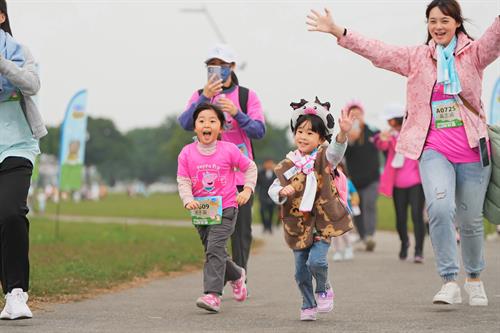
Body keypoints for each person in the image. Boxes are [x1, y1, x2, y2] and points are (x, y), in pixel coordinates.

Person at [307, 0, 499, 306]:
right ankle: (449, 280)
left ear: (457, 23)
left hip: (473, 150)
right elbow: (378, 51)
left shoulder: (474, 54)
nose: (438, 27)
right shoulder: (417, 58)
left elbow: (496, 34)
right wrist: (338, 31)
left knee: (470, 219)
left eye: (445, 21)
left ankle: (474, 278)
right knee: (438, 209)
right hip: (433, 149)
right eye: (432, 21)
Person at [179, 44, 265, 285]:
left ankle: (238, 279)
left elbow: (259, 131)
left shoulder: (247, 97)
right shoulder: (200, 96)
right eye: (211, 66)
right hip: (205, 177)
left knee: (240, 233)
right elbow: (185, 123)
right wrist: (206, 98)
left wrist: (237, 114)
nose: (217, 71)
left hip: (238, 178)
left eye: (222, 66)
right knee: (208, 235)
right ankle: (232, 274)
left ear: (233, 68)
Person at [268, 97, 354, 321]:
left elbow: (336, 150)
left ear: (320, 138)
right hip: (297, 223)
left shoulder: (325, 158)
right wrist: (281, 192)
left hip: (322, 220)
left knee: (316, 261)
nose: (303, 136)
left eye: (310, 133)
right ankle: (307, 303)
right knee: (300, 269)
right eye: (300, 131)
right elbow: (274, 187)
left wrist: (342, 134)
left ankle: (323, 287)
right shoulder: (287, 164)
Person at [177, 103, 257, 313]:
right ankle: (237, 274)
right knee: (214, 250)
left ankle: (212, 295)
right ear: (195, 126)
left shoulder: (229, 150)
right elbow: (183, 180)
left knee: (214, 249)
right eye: (201, 120)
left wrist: (247, 190)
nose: (207, 124)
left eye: (213, 121)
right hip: (201, 210)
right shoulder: (186, 153)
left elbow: (250, 167)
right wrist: (187, 199)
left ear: (221, 128)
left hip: (227, 207)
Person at [0, 0, 46, 320]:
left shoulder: (19, 51)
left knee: (11, 214)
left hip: (17, 146)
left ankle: (16, 293)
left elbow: (32, 84)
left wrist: (2, 64)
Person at [374, 104, 426, 263]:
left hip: (416, 183)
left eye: (390, 120)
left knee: (417, 217)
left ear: (397, 119)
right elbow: (380, 144)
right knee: (400, 219)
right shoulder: (391, 136)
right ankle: (405, 243)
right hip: (397, 185)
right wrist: (382, 137)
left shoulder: (413, 133)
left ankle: (418, 251)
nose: (388, 123)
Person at [342, 101, 380, 251]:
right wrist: (350, 140)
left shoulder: (372, 131)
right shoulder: (345, 135)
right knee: (357, 208)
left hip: (372, 179)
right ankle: (363, 236)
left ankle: (370, 235)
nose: (357, 117)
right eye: (353, 115)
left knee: (369, 204)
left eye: (359, 114)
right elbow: (341, 155)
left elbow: (382, 144)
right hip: (354, 180)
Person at [331, 162, 360, 261]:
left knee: (344, 232)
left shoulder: (347, 182)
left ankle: (348, 247)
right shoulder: (329, 182)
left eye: (339, 167)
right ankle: (337, 251)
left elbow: (354, 193)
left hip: (345, 210)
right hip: (333, 211)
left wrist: (355, 201)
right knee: (335, 233)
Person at [256, 158, 277, 234]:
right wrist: (257, 192)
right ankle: (265, 225)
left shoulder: (276, 173)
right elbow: (257, 184)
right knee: (262, 211)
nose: (268, 165)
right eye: (267, 163)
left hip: (272, 195)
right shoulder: (260, 172)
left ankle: (270, 226)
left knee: (271, 211)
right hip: (262, 195)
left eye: (270, 163)